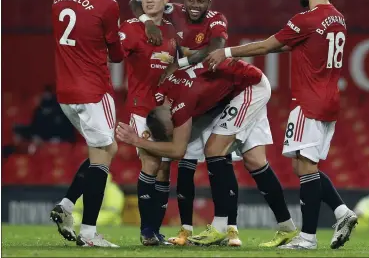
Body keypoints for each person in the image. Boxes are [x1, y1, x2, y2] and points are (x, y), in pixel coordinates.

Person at [206, 0, 358, 250]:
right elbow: (294, 44)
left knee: (306, 167)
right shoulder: (338, 18)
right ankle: (342, 212)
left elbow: (268, 45)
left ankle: (307, 238)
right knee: (304, 166)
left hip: (308, 101)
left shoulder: (306, 19)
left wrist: (225, 52)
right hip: (330, 101)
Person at [116, 59, 297, 247]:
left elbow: (178, 149)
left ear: (171, 116)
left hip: (249, 88)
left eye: (174, 130)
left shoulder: (181, 107)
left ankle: (220, 228)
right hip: (237, 90)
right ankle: (287, 227)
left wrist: (137, 141)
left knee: (214, 149)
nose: (179, 132)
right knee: (255, 161)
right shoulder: (166, 95)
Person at [130, 0, 242, 246]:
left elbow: (216, 46)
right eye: (190, 0)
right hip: (186, 96)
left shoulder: (216, 19)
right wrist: (147, 22)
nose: (194, 6)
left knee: (224, 161)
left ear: (209, 3)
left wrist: (178, 63)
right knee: (176, 166)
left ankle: (230, 229)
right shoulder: (174, 11)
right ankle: (176, 231)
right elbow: (135, 4)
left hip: (214, 97)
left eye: (200, 1)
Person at [49, 0, 122, 248]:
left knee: (104, 151)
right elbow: (116, 56)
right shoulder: (108, 5)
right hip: (93, 91)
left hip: (65, 93)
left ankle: (67, 206)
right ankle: (89, 233)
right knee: (104, 154)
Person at [118, 0, 177, 246]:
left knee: (164, 170)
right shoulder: (130, 27)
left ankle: (155, 231)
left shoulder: (172, 30)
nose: (149, 0)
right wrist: (142, 21)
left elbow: (178, 61)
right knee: (151, 163)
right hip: (142, 107)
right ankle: (146, 231)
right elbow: (113, 54)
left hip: (166, 110)